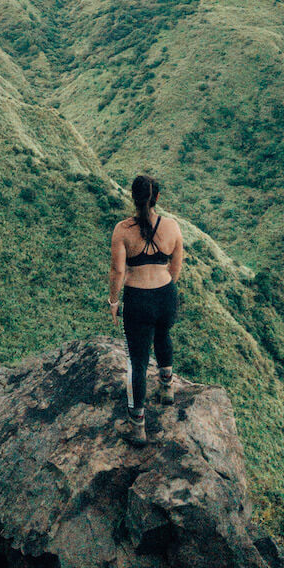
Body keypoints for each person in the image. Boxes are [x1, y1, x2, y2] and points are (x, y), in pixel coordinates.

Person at [108, 173, 184, 444]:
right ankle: (166, 389)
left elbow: (118, 270)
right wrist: (165, 290)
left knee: (137, 361)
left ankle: (137, 426)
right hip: (165, 294)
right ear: (157, 198)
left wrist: (114, 301)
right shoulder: (172, 227)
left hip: (138, 300)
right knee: (164, 336)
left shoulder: (122, 230)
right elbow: (176, 265)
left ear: (133, 196)